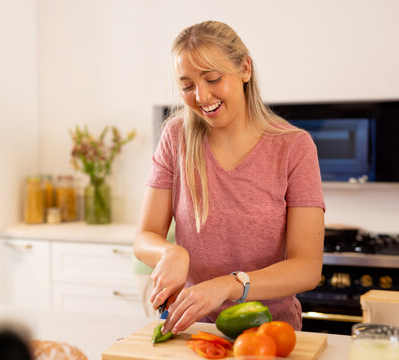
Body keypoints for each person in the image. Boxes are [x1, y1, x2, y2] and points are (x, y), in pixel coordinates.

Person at [133, 21, 325, 335]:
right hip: (192, 330)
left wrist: (230, 286)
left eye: (212, 78)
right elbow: (144, 237)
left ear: (245, 69)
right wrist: (170, 252)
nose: (201, 95)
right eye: (187, 85)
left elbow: (307, 268)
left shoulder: (294, 147)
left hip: (268, 333)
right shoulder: (175, 136)